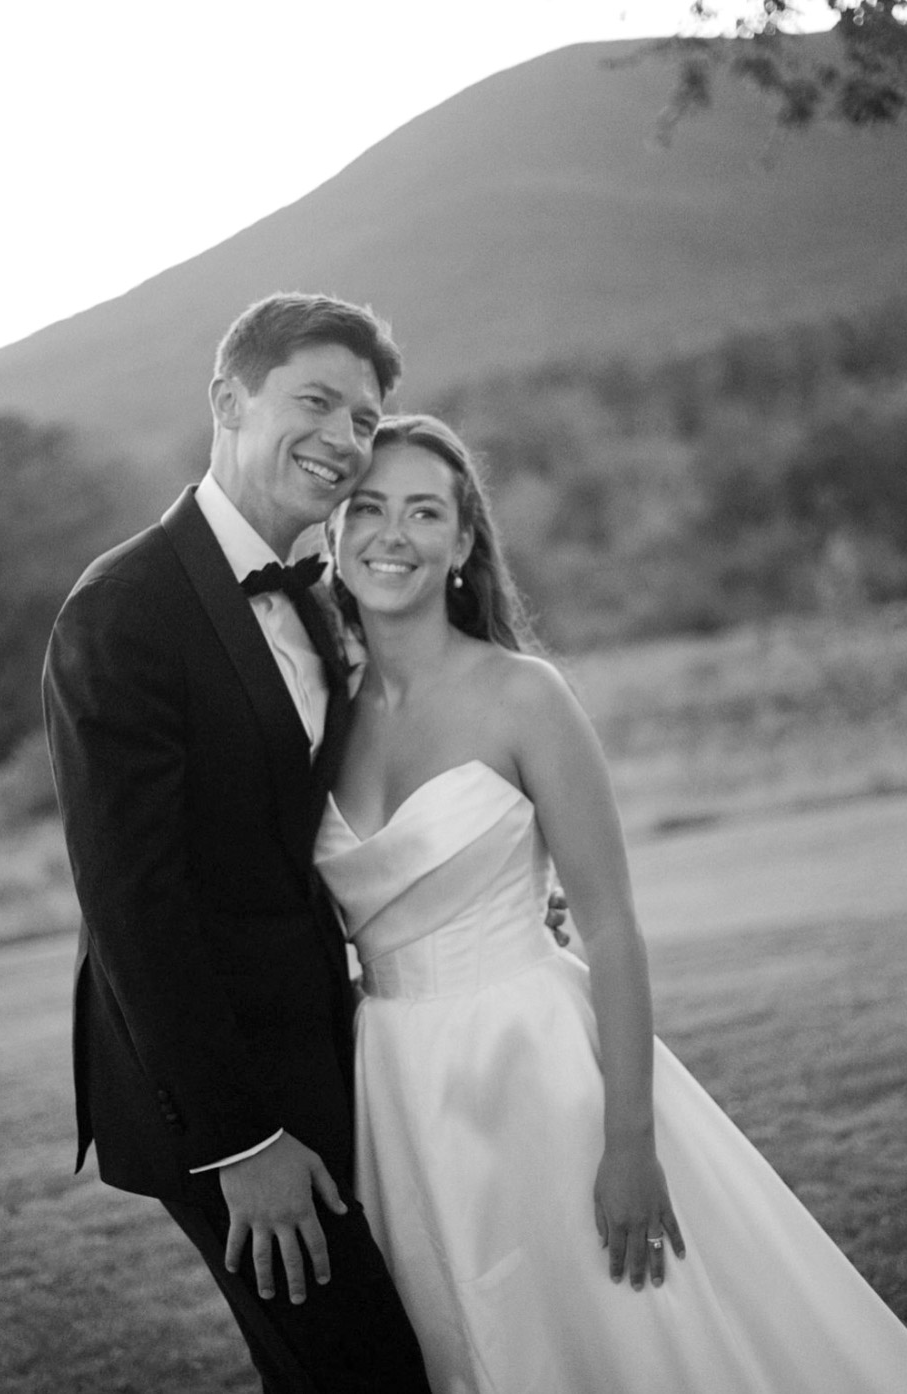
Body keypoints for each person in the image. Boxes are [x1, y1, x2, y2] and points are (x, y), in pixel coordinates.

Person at [313, 413, 907, 1394]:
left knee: (627, 1332)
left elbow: (612, 926)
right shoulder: (315, 718)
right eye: (366, 507)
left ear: (462, 543)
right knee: (469, 1334)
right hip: (393, 1085)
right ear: (332, 533)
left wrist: (627, 1137)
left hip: (542, 1066)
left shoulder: (523, 697)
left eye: (424, 511)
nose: (392, 533)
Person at [42, 293, 435, 1394]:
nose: (345, 438)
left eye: (363, 418)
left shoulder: (317, 600)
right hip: (215, 1093)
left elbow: (297, 834)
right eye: (315, 401)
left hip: (324, 1052)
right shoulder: (122, 609)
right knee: (365, 1371)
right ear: (228, 400)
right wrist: (238, 1140)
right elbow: (133, 903)